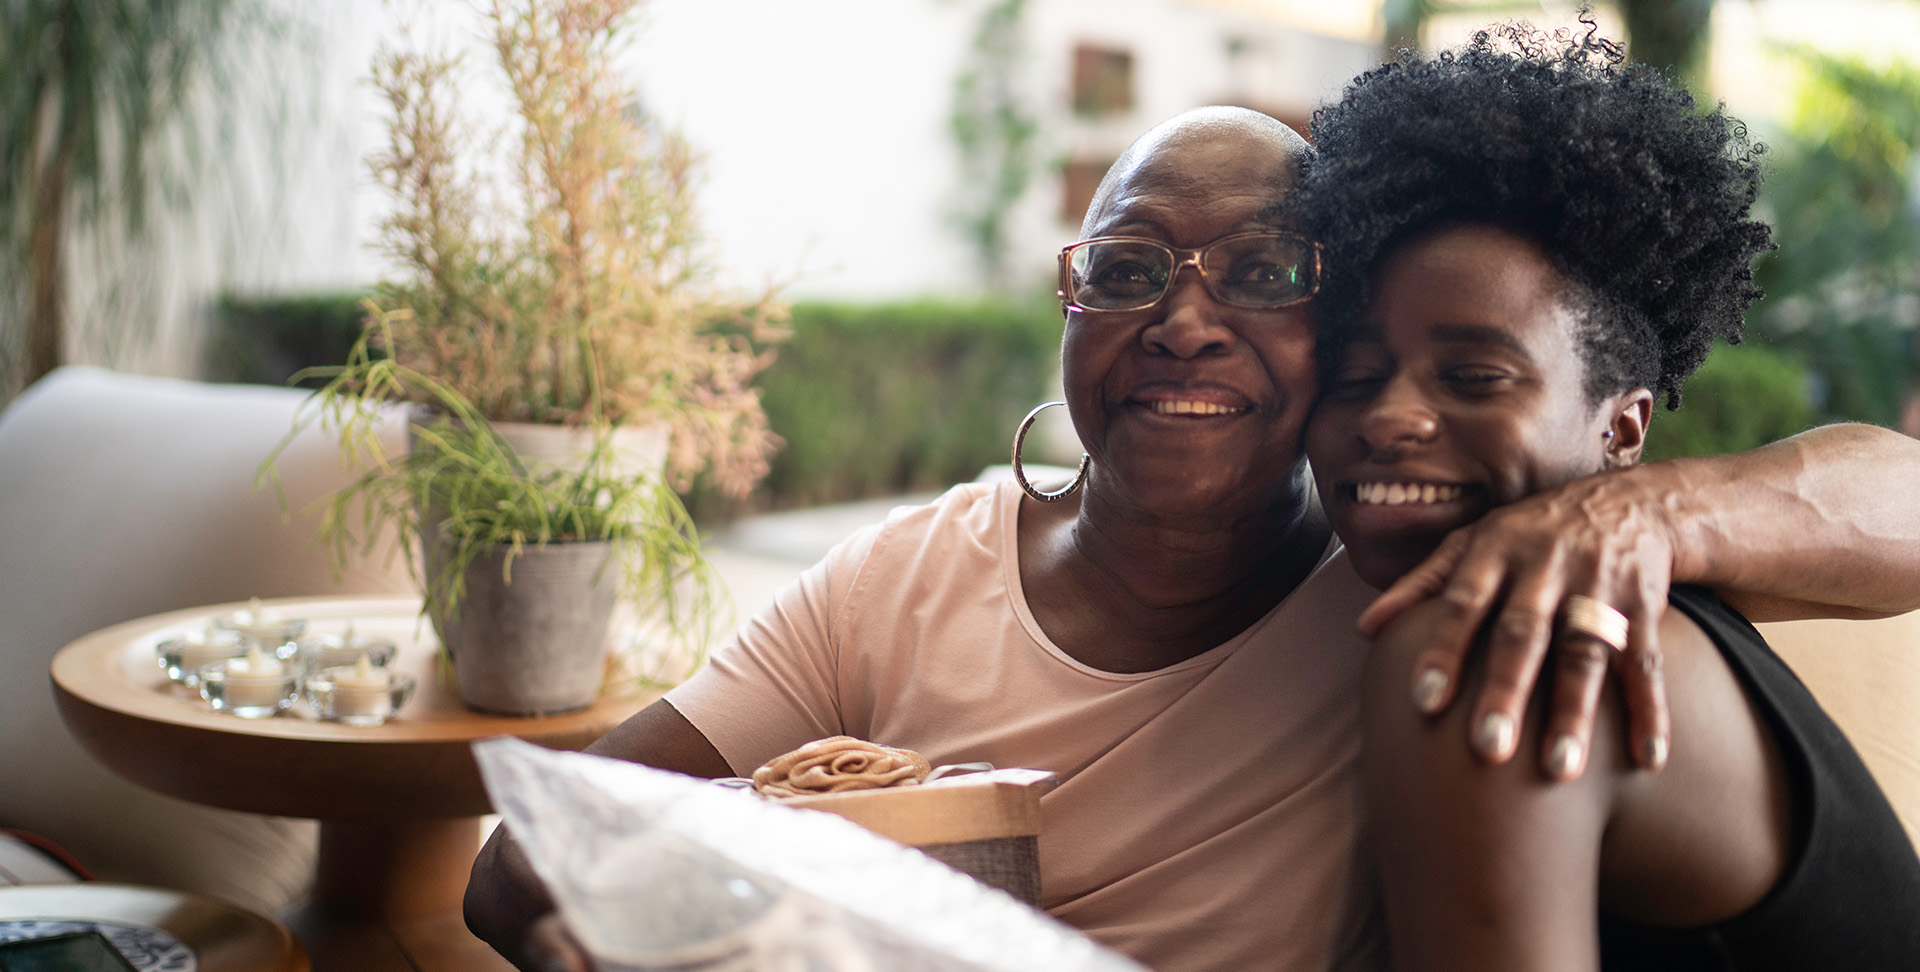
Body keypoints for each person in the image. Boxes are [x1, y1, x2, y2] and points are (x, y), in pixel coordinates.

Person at [466, 105, 1920, 972]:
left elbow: (1896, 498)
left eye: (1265, 271)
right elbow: (521, 861)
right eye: (1129, 267)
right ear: (1069, 303)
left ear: (1329, 327)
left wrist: (1640, 505)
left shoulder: (1438, 582)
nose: (1182, 316)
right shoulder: (906, 575)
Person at [1296, 26, 1920, 970]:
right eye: (1353, 376)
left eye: (1473, 375)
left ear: (1622, 431)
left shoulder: (1493, 646)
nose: (1390, 416)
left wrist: (1647, 511)